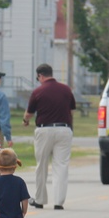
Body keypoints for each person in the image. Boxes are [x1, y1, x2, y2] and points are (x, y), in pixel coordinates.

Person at [22, 64, 76, 210]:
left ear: (40, 75)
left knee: (42, 165)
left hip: (44, 129)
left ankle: (40, 199)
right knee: (61, 166)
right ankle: (59, 202)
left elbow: (29, 113)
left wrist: (25, 121)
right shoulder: (66, 90)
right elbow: (71, 111)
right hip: (64, 129)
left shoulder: (38, 91)